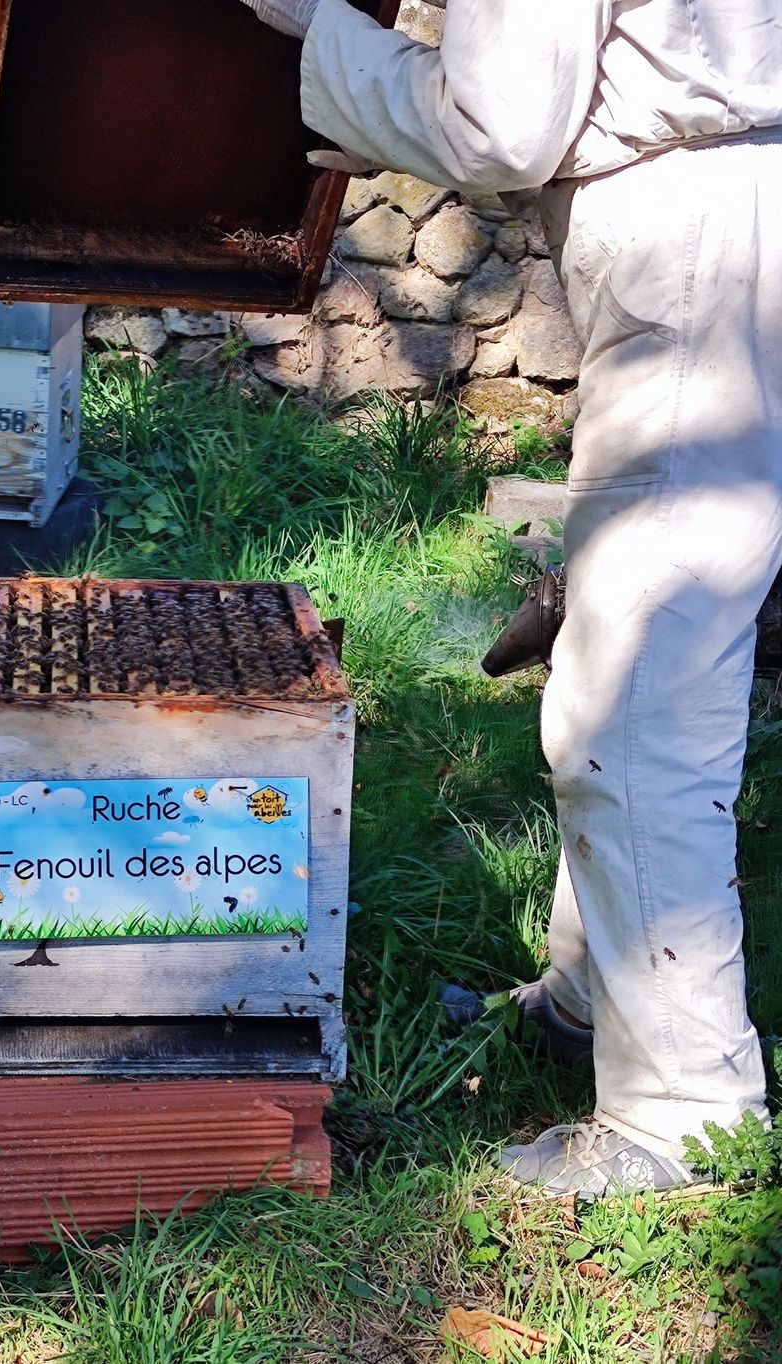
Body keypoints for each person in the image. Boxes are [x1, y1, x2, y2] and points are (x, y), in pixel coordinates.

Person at [240, 0, 782, 1197]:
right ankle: (590, 998)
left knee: (636, 700)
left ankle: (683, 1110)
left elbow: (500, 125)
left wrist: (319, 38)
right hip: (721, 238)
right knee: (630, 636)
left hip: (696, 258)